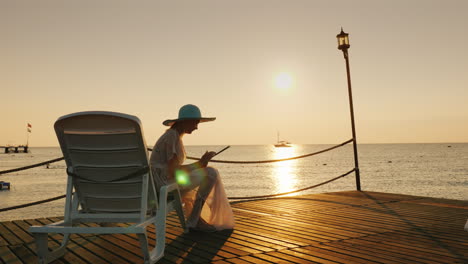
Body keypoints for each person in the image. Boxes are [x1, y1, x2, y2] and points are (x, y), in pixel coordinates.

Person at [150, 104, 235, 232]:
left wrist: (200, 164)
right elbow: (173, 171)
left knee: (207, 172)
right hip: (164, 184)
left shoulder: (174, 136)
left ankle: (195, 219)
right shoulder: (172, 136)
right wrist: (200, 164)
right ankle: (195, 220)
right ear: (185, 122)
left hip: (160, 183)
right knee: (210, 173)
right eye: (195, 123)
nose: (196, 127)